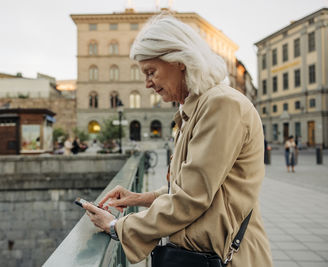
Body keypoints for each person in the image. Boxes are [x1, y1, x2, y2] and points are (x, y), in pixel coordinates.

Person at [82, 15, 272, 267]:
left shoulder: (220, 105)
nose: (147, 83)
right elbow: (198, 185)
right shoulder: (196, 109)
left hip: (227, 258)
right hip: (206, 255)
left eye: (151, 72)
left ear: (179, 60)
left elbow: (192, 198)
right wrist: (139, 198)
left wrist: (119, 225)